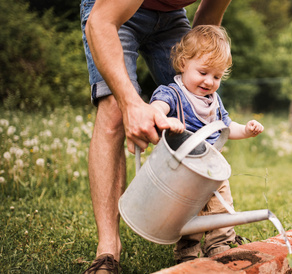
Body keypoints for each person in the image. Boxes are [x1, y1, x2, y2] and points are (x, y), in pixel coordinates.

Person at [80, 0, 231, 273]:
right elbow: (100, 22)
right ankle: (107, 251)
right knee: (114, 109)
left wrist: (199, 80)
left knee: (193, 102)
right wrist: (131, 104)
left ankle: (215, 235)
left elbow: (208, 19)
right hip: (112, 12)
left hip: (171, 16)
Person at [150, 25, 264, 263]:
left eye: (217, 76)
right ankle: (188, 251)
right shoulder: (173, 94)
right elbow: (156, 109)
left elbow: (225, 126)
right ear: (183, 64)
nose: (209, 81)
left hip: (213, 167)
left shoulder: (213, 100)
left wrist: (246, 130)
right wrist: (165, 119)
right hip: (182, 169)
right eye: (203, 72)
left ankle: (221, 244)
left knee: (222, 206)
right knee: (187, 210)